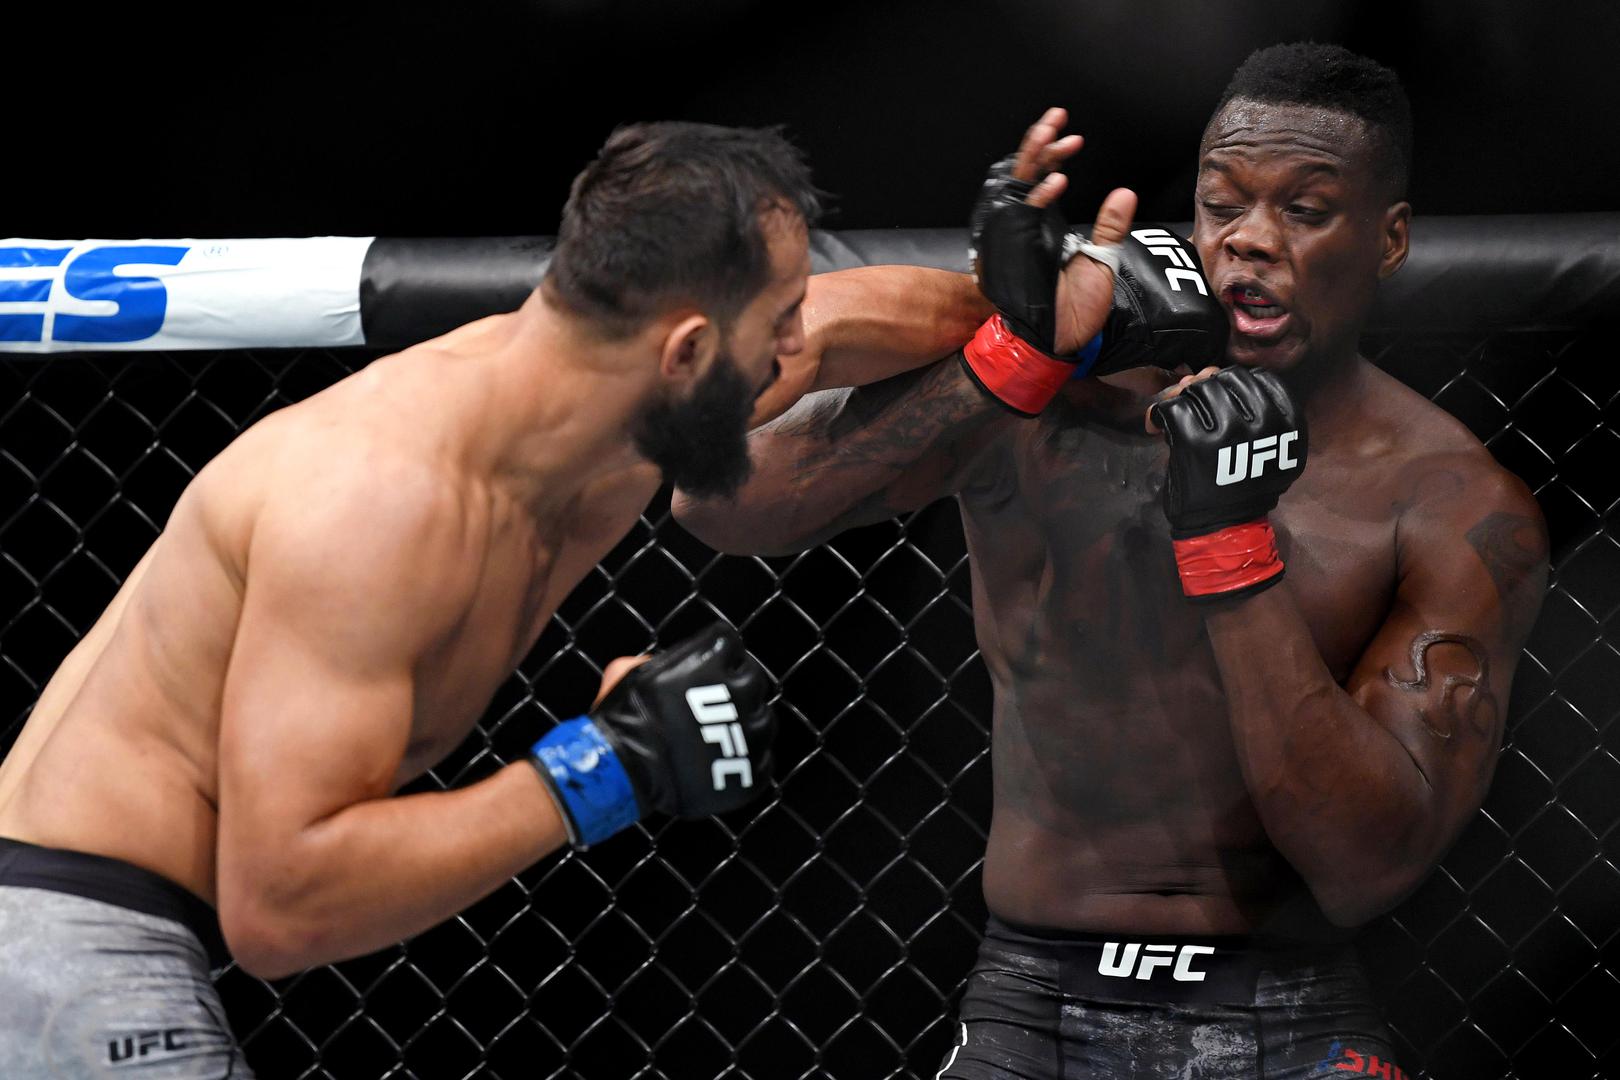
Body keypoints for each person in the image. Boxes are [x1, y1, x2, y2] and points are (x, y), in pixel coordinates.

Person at [0, 121, 987, 1078]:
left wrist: (1021, 303)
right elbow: (282, 907)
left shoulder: (619, 407)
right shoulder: (379, 503)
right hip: (68, 943)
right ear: (687, 351)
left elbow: (841, 329)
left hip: (105, 933)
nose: (794, 347)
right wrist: (612, 763)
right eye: (777, 322)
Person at [673, 44, 1548, 1078]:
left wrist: (1227, 543)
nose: (1249, 242)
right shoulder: (1058, 404)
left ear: (1389, 238)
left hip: (1290, 1014)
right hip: (1032, 1005)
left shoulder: (1450, 502)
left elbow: (1365, 868)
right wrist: (1013, 354)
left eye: (1307, 211)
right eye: (1222, 207)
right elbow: (717, 502)